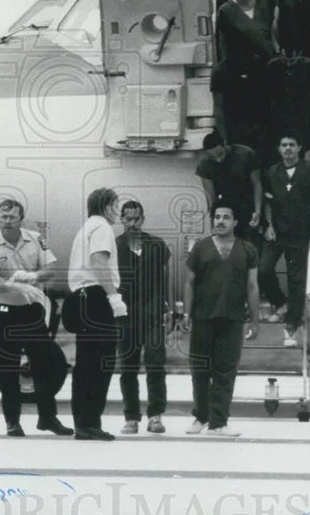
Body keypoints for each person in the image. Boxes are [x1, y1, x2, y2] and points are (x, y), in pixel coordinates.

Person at [0, 199, 71, 437]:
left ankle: (48, 418)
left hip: (30, 311)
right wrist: (13, 286)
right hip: (4, 312)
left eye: (12, 218)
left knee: (47, 362)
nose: (7, 222)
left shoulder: (36, 239)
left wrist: (30, 276)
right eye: (3, 218)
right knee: (8, 367)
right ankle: (12, 422)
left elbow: (51, 271)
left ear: (21, 219)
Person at [180, 204, 260, 437]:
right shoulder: (200, 248)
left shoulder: (247, 249)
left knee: (226, 371)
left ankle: (219, 422)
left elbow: (253, 287)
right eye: (216, 217)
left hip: (233, 318)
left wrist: (255, 321)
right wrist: (186, 313)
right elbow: (189, 282)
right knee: (200, 370)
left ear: (235, 222)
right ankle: (200, 417)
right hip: (203, 316)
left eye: (226, 217)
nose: (220, 221)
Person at [63, 188, 126, 441]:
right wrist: (113, 296)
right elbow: (99, 262)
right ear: (107, 206)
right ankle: (90, 423)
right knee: (101, 362)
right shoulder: (101, 228)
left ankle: (84, 423)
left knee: (86, 364)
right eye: (116, 205)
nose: (119, 210)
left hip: (82, 297)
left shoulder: (85, 229)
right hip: (96, 298)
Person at [259, 131, 310, 346]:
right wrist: (269, 226)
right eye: (283, 145)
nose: (287, 148)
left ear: (299, 148)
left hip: (300, 234)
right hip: (278, 232)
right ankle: (281, 303)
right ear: (279, 149)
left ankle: (291, 327)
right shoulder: (273, 172)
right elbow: (269, 203)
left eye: (291, 145)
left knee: (296, 280)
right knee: (263, 270)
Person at [115, 201, 171, 435]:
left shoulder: (156, 245)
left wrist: (168, 308)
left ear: (143, 218)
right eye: (128, 219)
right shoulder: (114, 246)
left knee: (156, 362)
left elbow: (165, 278)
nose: (132, 223)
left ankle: (155, 415)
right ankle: (131, 418)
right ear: (121, 220)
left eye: (136, 218)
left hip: (153, 313)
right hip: (125, 315)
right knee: (128, 367)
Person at [211, 0, 278, 155]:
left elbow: (273, 28)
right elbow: (223, 41)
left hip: (267, 64)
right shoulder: (226, 10)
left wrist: (276, 51)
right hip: (242, 67)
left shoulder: (264, 3)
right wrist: (226, 67)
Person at [195, 130, 263, 241]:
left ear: (225, 144)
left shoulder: (246, 154)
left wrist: (258, 211)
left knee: (250, 245)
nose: (218, 159)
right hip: (227, 208)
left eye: (220, 154)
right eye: (213, 157)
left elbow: (257, 184)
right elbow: (210, 196)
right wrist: (213, 219)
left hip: (249, 205)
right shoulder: (205, 164)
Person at [265, 53, 310, 161]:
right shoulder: (272, 66)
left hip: (301, 113)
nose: (289, 64)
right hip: (281, 114)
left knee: (301, 144)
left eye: (292, 61)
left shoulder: (309, 65)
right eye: (285, 60)